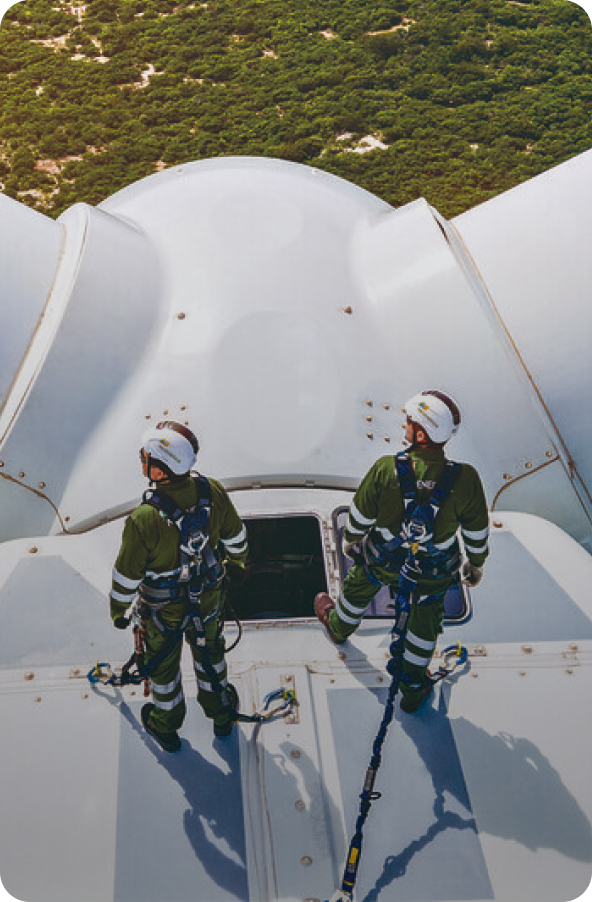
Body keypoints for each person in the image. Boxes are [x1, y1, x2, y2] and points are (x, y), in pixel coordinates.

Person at [314, 390, 489, 714]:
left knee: (359, 586)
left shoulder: (385, 469)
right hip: (433, 573)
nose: (404, 427)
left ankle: (339, 627)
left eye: (409, 422)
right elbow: (476, 531)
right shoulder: (466, 479)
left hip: (383, 561)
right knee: (424, 626)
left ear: (421, 433)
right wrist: (474, 564)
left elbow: (361, 516)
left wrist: (351, 540)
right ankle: (412, 689)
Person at [109, 420, 248, 751]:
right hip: (209, 601)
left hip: (162, 614)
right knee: (210, 656)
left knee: (162, 671)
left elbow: (126, 576)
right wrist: (238, 565)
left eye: (145, 457)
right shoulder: (212, 491)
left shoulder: (143, 519)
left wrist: (119, 613)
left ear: (157, 471)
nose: (141, 460)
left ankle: (166, 726)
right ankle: (222, 716)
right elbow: (236, 538)